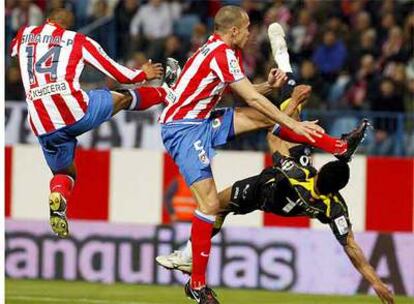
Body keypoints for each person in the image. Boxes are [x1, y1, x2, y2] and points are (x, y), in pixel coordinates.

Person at [159, 6, 368, 303]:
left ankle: (340, 147)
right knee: (208, 204)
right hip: (184, 129)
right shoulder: (222, 54)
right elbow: (252, 98)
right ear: (233, 31)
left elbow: (244, 90)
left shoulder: (213, 50)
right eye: (246, 29)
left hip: (201, 120)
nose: (249, 33)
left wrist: (269, 86)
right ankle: (197, 283)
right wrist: (292, 121)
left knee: (268, 120)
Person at [9, 9, 178, 238]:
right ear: (68, 27)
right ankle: (167, 94)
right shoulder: (78, 41)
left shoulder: (25, 34)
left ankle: (59, 195)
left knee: (64, 173)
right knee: (123, 97)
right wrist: (143, 74)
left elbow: (13, 53)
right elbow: (120, 74)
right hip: (75, 112)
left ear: (48, 20)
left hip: (43, 124)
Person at [156, 145, 395, 304]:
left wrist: (290, 113)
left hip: (258, 189)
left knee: (211, 207)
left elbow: (274, 139)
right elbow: (351, 247)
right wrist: (377, 283)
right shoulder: (335, 208)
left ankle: (190, 264)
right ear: (339, 189)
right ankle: (192, 275)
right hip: (274, 207)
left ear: (320, 169)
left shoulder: (300, 171)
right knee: (216, 211)